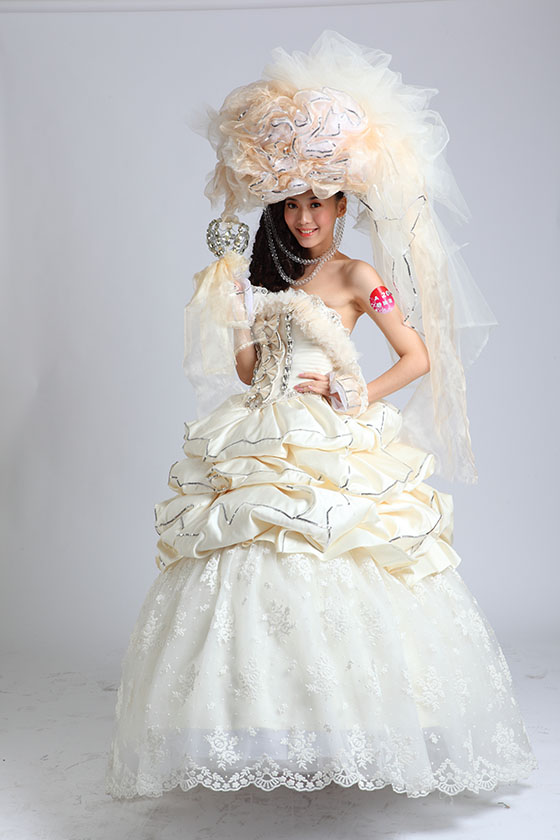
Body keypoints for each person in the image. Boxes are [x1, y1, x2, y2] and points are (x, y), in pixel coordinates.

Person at [105, 31, 538, 799]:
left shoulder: (359, 275)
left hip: (327, 438)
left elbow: (417, 355)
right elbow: (249, 371)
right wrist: (235, 312)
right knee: (250, 563)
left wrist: (354, 395)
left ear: (343, 203)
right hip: (261, 431)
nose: (305, 216)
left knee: (339, 559)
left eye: (319, 201)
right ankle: (266, 725)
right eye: (293, 202)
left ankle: (357, 727)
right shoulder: (266, 270)